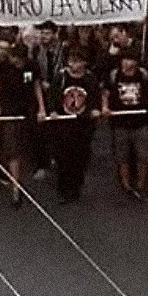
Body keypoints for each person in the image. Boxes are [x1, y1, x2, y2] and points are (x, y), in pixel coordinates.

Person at [0, 44, 44, 206]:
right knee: (13, 149)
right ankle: (16, 188)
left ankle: (18, 178)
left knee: (25, 147)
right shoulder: (4, 66)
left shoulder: (32, 66)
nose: (16, 63)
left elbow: (36, 86)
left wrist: (41, 108)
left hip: (28, 110)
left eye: (18, 61)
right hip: (9, 110)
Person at [102, 51, 148, 200]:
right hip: (120, 122)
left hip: (140, 122)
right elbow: (106, 93)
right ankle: (126, 185)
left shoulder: (143, 75)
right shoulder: (114, 75)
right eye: (124, 60)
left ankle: (140, 185)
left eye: (130, 60)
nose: (127, 64)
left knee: (144, 156)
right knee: (122, 156)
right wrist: (105, 107)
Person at [48, 49, 101, 202]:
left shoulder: (90, 78)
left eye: (77, 61)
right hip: (64, 124)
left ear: (84, 62)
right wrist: (52, 110)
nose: (73, 64)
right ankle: (63, 188)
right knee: (63, 157)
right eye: (71, 60)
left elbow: (95, 96)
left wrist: (95, 109)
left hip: (83, 124)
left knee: (80, 157)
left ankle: (76, 187)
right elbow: (53, 94)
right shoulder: (62, 77)